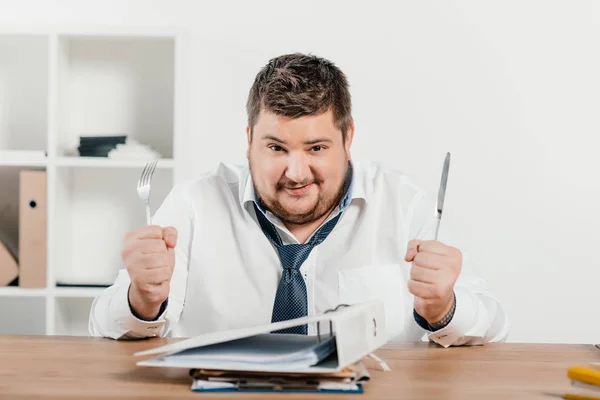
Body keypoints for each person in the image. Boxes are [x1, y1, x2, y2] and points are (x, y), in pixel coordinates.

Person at [89, 53, 509, 347]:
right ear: (249, 140)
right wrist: (142, 299)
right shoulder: (195, 204)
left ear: (348, 139)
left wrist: (443, 307)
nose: (295, 173)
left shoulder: (404, 204)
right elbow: (102, 323)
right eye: (275, 148)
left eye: (316, 148)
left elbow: (494, 324)